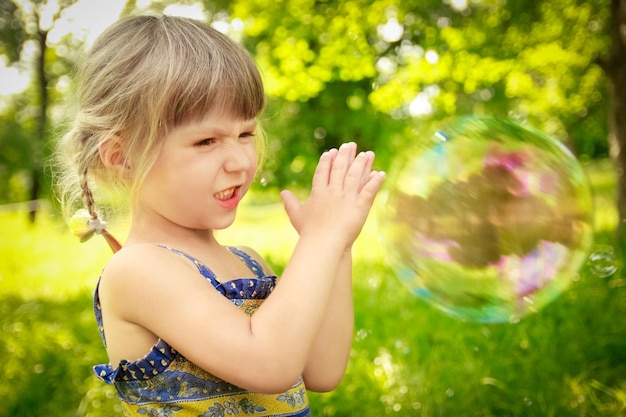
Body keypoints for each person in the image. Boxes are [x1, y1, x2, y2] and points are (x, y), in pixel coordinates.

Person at [54, 14, 385, 417]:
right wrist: (320, 241)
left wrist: (337, 247)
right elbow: (270, 364)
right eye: (206, 140)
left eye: (245, 133)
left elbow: (322, 371)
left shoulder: (249, 261)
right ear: (122, 158)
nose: (241, 161)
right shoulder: (137, 270)